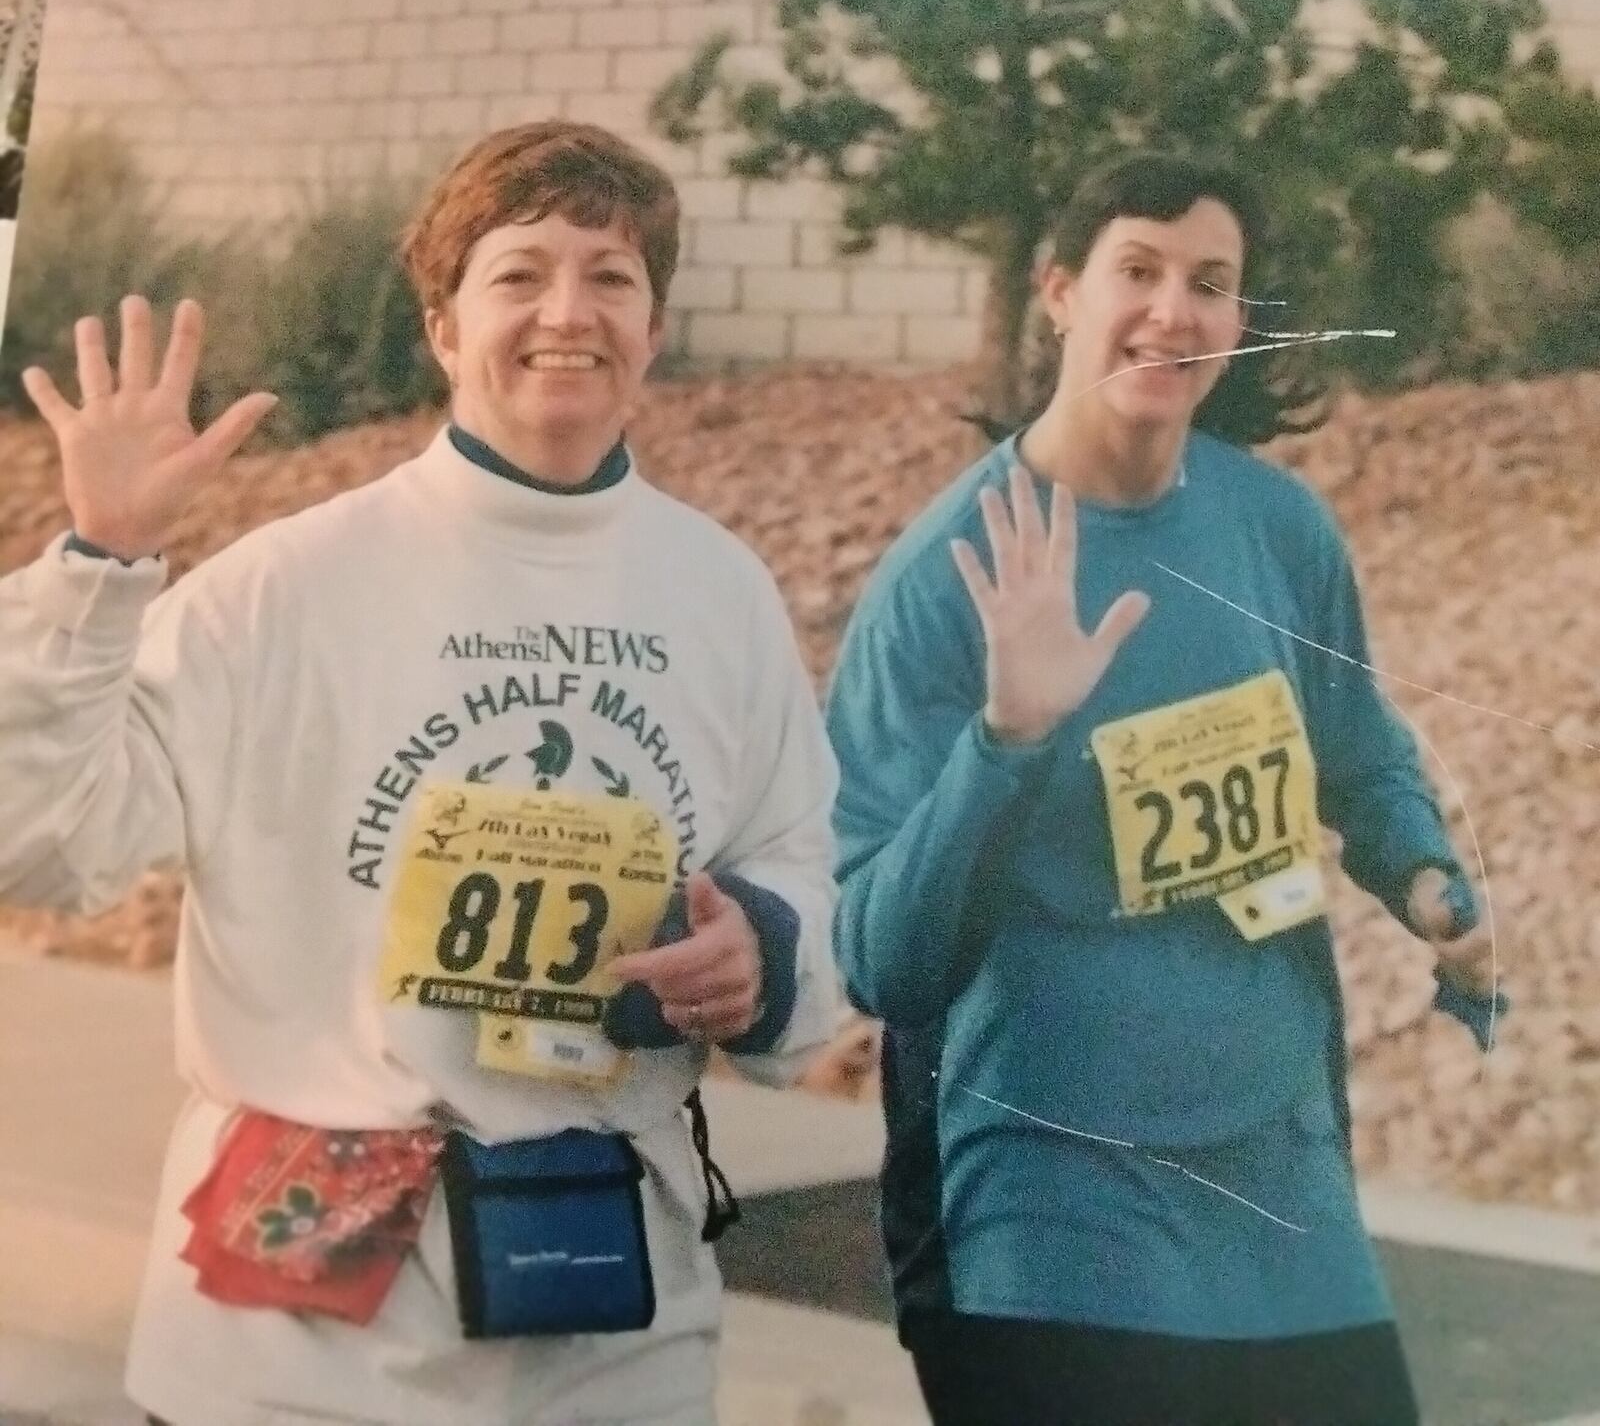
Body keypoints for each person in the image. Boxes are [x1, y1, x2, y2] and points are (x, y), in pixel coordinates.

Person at [0, 120, 842, 1426]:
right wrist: (99, 565)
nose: (569, 310)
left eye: (611, 276)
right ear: (444, 327)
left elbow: (798, 852)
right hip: (294, 1356)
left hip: (610, 1337)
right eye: (520, 274)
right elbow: (44, 844)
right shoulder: (286, 587)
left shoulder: (717, 591)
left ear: (655, 329)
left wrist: (763, 953)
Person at [825, 151, 1502, 1426]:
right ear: (1059, 292)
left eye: (1211, 282)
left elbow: (1361, 756)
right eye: (1137, 270)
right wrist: (1008, 739)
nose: (1172, 312)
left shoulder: (1277, 529)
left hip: (1277, 1187)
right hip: (1048, 1212)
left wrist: (1428, 884)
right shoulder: (944, 578)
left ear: (1240, 320)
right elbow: (877, 957)